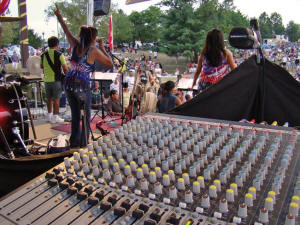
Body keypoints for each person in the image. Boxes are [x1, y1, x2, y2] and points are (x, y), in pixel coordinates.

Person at [55, 5, 112, 148]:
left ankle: (74, 144)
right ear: (93, 37)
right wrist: (103, 47)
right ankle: (83, 145)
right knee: (85, 117)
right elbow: (109, 62)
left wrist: (59, 16)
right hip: (81, 85)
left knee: (75, 117)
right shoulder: (93, 50)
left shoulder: (75, 44)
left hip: (68, 84)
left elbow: (66, 30)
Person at [191, 29, 236, 93]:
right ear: (220, 40)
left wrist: (193, 83)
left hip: (204, 85)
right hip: (220, 85)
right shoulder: (226, 53)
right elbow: (234, 70)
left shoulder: (204, 53)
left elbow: (198, 71)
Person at [40, 36, 68, 124]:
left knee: (49, 98)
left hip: (47, 80)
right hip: (56, 80)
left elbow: (41, 66)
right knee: (56, 99)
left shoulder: (43, 55)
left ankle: (49, 115)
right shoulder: (59, 54)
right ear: (57, 44)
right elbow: (65, 68)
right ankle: (55, 117)